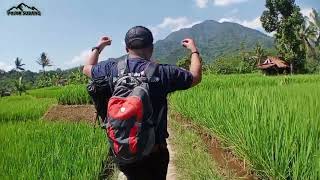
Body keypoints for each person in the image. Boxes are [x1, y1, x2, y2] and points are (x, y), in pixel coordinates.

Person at [83, 26, 202, 180]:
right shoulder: (162, 72)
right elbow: (195, 76)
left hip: (123, 151)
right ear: (151, 48)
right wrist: (193, 51)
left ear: (126, 48)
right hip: (154, 153)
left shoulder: (111, 69)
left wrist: (99, 47)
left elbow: (87, 68)